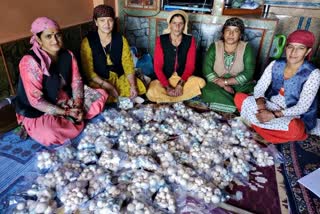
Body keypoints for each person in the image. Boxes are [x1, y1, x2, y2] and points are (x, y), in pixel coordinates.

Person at [15, 17, 107, 146]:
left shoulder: (67, 55)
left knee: (101, 95)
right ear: (38, 39)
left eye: (58, 35)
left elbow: (77, 82)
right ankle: (36, 125)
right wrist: (67, 112)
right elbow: (36, 101)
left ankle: (74, 117)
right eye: (48, 36)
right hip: (38, 108)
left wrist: (78, 106)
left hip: (63, 99)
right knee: (49, 133)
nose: (55, 40)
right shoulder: (30, 62)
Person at [234, 30, 320, 143]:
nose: (294, 52)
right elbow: (260, 87)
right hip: (270, 105)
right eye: (290, 47)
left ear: (308, 51)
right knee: (239, 98)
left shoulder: (313, 73)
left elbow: (302, 107)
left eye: (300, 48)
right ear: (286, 48)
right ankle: (266, 130)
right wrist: (262, 107)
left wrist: (273, 115)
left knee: (296, 130)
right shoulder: (276, 64)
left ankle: (257, 125)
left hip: (291, 114)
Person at [80, 5, 146, 102]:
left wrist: (133, 85)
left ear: (114, 21)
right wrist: (108, 86)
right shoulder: (87, 42)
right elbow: (89, 72)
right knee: (100, 95)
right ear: (96, 22)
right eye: (102, 20)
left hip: (119, 76)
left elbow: (128, 65)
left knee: (137, 87)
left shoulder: (121, 39)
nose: (107, 24)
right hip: (100, 79)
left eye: (110, 20)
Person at [146, 10, 206, 103]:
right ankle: (180, 97)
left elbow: (190, 66)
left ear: (184, 25)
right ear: (169, 24)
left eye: (180, 23)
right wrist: (168, 87)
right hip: (165, 79)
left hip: (183, 78)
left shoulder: (190, 40)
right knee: (151, 91)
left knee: (201, 82)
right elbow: (157, 67)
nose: (177, 27)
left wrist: (180, 85)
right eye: (174, 23)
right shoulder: (161, 40)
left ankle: (168, 98)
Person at [201, 17, 256, 114]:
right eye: (228, 30)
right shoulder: (215, 46)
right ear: (223, 33)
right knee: (208, 91)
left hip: (240, 85)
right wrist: (222, 84)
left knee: (245, 95)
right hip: (217, 84)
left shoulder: (247, 48)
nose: (231, 34)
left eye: (236, 31)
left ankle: (232, 103)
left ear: (240, 35)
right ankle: (237, 107)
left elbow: (249, 72)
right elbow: (207, 69)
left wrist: (226, 82)